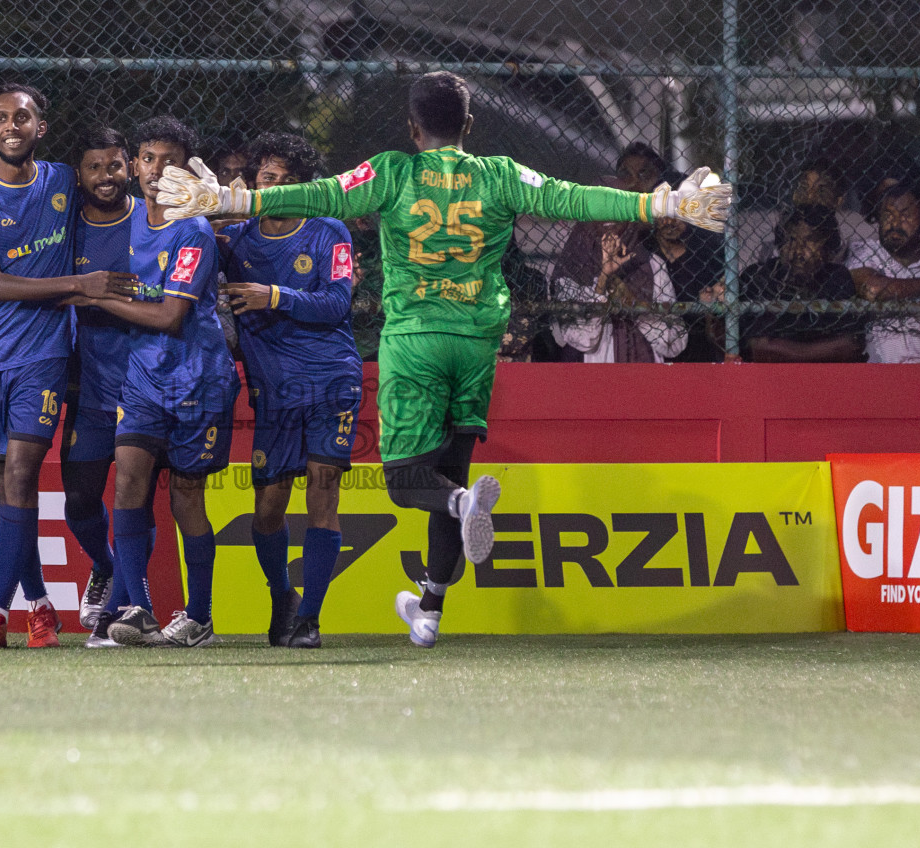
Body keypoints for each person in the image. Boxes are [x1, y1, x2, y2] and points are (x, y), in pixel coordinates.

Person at [157, 71, 729, 647]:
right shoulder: (501, 174)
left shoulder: (393, 171)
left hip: (416, 339)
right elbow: (573, 197)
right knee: (451, 468)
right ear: (470, 125)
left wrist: (237, 198)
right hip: (478, 340)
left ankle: (461, 502)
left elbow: (323, 193)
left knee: (409, 482)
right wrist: (664, 202)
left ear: (412, 127)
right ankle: (429, 609)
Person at [0, 84, 139, 649]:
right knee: (8, 487)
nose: (12, 125)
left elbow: (117, 200)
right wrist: (82, 285)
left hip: (44, 357)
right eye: (1, 117)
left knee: (23, 475)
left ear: (40, 127)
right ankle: (40, 605)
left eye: (23, 117)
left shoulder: (62, 180)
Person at [80, 117, 241, 649]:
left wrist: (97, 296)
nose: (155, 171)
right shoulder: (127, 223)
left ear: (184, 171)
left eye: (169, 162)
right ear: (135, 165)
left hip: (198, 380)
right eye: (148, 159)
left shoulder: (193, 229)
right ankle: (139, 608)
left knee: (187, 498)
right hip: (144, 379)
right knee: (127, 480)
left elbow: (171, 316)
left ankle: (200, 615)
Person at [219, 132, 360, 649]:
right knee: (267, 510)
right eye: (267, 177)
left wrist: (273, 295)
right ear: (255, 182)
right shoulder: (236, 238)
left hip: (331, 379)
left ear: (304, 187)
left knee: (323, 490)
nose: (275, 186)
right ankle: (283, 596)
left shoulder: (330, 232)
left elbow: (336, 304)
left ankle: (311, 620)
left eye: (286, 179)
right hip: (274, 391)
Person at [60, 125, 160, 649]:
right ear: (79, 175)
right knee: (78, 501)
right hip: (86, 385)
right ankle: (105, 566)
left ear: (130, 168)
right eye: (95, 167)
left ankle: (122, 607)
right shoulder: (67, 228)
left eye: (114, 165)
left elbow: (168, 293)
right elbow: (43, 288)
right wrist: (82, 291)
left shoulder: (150, 221)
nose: (106, 176)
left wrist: (106, 297)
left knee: (134, 502)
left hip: (143, 384)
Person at [734, 204, 864, 362]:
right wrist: (823, 351)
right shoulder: (758, 277)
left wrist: (785, 349)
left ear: (827, 248)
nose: (797, 251)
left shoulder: (836, 277)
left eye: (810, 241)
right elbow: (760, 350)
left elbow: (850, 347)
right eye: (791, 239)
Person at [550, 219, 686, 362]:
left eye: (613, 209)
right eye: (601, 209)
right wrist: (603, 280)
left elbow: (674, 344)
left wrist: (632, 303)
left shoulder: (653, 264)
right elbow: (584, 340)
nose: (608, 217)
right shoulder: (573, 269)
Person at [846, 182, 920, 364]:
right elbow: (873, 290)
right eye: (888, 215)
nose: (895, 224)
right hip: (882, 367)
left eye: (905, 216)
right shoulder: (866, 253)